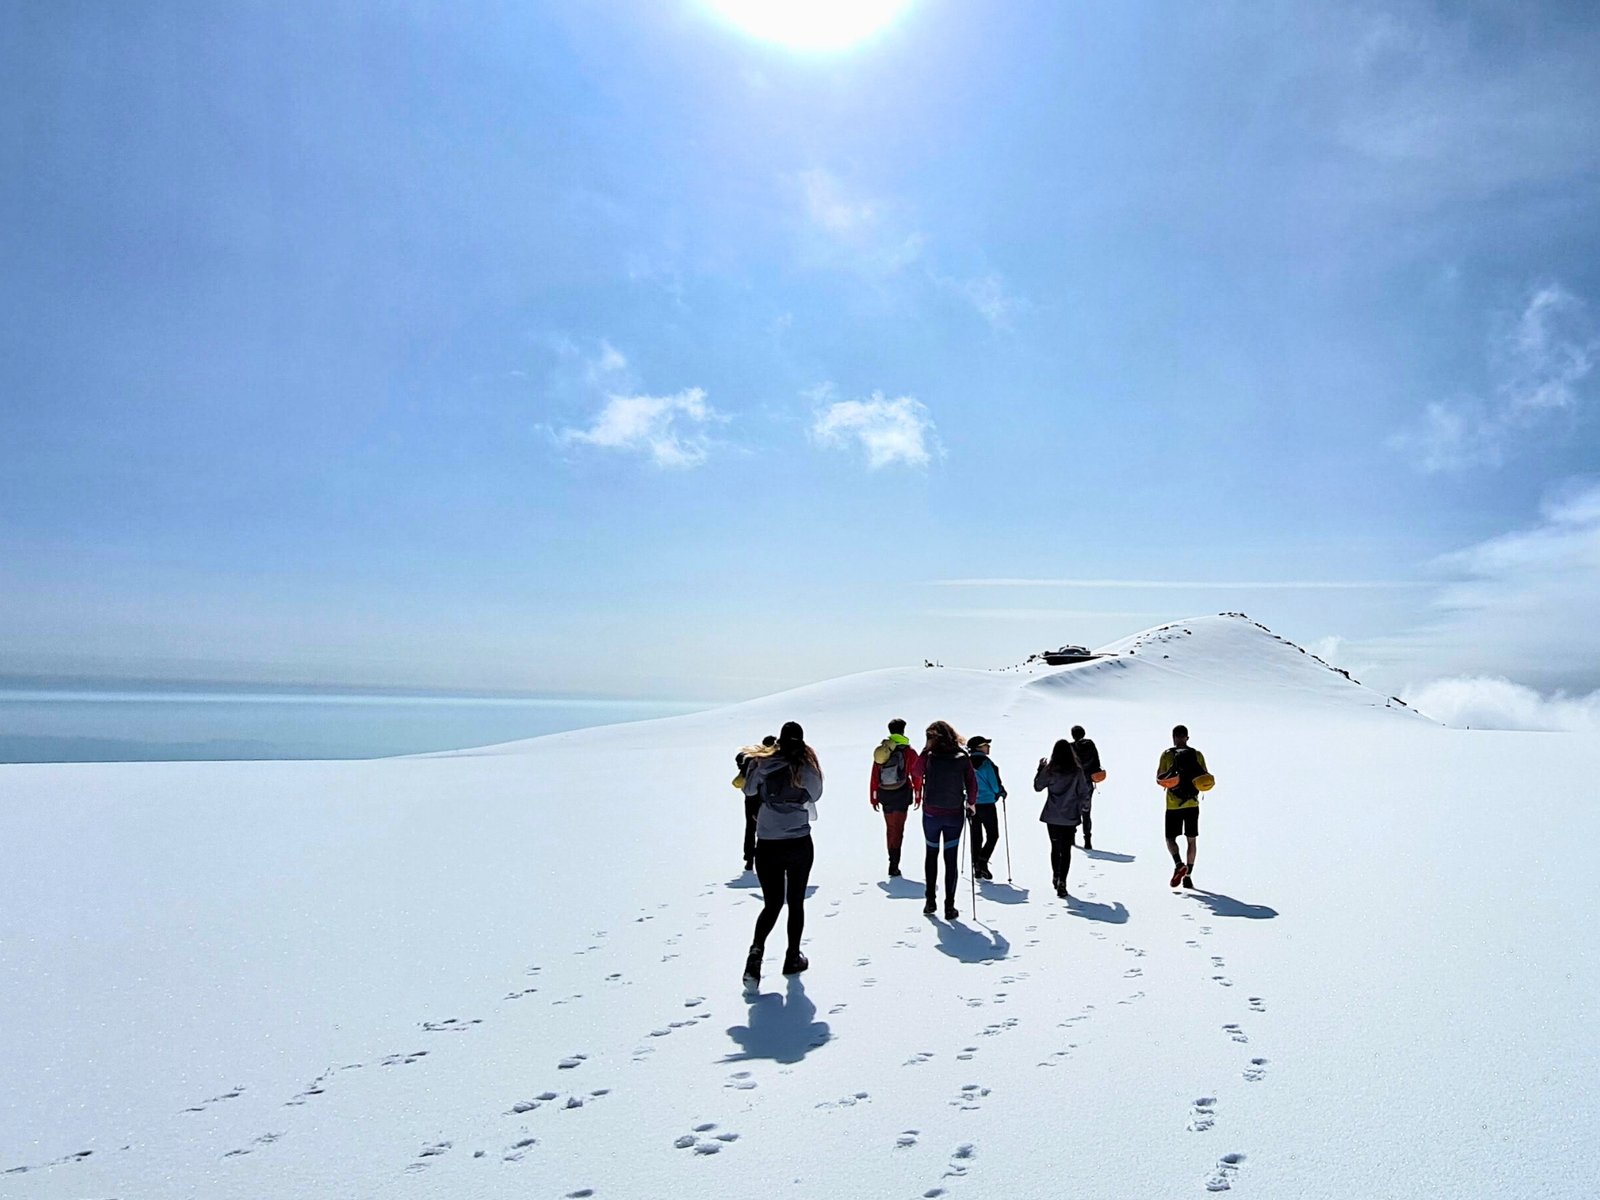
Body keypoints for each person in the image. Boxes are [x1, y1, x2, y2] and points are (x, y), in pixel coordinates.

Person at [740, 721, 824, 985]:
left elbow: (748, 789)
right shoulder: (806, 764)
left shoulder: (763, 763)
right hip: (798, 840)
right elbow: (817, 794)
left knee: (772, 904)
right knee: (796, 902)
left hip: (767, 841)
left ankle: (755, 956)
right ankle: (792, 958)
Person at [912, 720, 977, 919]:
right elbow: (972, 785)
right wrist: (971, 804)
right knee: (951, 859)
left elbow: (915, 772)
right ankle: (950, 905)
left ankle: (930, 901)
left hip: (931, 813)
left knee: (931, 854)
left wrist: (925, 750)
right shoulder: (962, 757)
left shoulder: (929, 756)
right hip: (953, 813)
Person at [1034, 739, 1091, 897]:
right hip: (1070, 815)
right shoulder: (1076, 771)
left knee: (1055, 847)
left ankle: (1055, 875)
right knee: (1066, 850)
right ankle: (1062, 881)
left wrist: (1040, 770)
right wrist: (1084, 807)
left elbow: (1038, 787)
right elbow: (1083, 792)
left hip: (1052, 815)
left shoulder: (1050, 770)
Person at [1156, 724, 1209, 888]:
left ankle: (1179, 864)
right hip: (1192, 803)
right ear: (1187, 737)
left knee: (1170, 838)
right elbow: (1205, 778)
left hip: (1173, 804)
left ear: (1174, 737)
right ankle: (1188, 876)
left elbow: (1159, 778)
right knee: (1191, 840)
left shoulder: (1166, 755)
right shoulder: (1197, 754)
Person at [870, 718, 921, 877]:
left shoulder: (882, 751)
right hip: (902, 793)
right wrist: (918, 794)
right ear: (903, 730)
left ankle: (892, 860)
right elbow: (917, 775)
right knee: (898, 829)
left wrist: (874, 796)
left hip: (885, 794)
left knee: (890, 828)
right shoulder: (909, 751)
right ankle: (894, 864)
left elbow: (875, 775)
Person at [966, 735, 1007, 879]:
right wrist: (1000, 792)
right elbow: (995, 786)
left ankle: (976, 867)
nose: (988, 747)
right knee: (993, 835)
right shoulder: (987, 763)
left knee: (976, 836)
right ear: (979, 747)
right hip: (987, 803)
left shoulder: (965, 762)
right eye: (985, 744)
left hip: (971, 804)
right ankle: (982, 862)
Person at [735, 734, 777, 872]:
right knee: (766, 828)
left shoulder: (752, 756)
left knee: (750, 828)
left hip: (750, 798)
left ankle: (749, 858)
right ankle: (764, 858)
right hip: (764, 799)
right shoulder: (770, 759)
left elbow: (739, 758)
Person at [1070, 725, 1102, 851]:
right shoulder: (1090, 745)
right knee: (1086, 812)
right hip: (1088, 782)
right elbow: (1097, 761)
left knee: (1073, 810)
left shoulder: (1070, 747)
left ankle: (1072, 837)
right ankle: (1087, 840)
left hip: (1073, 784)